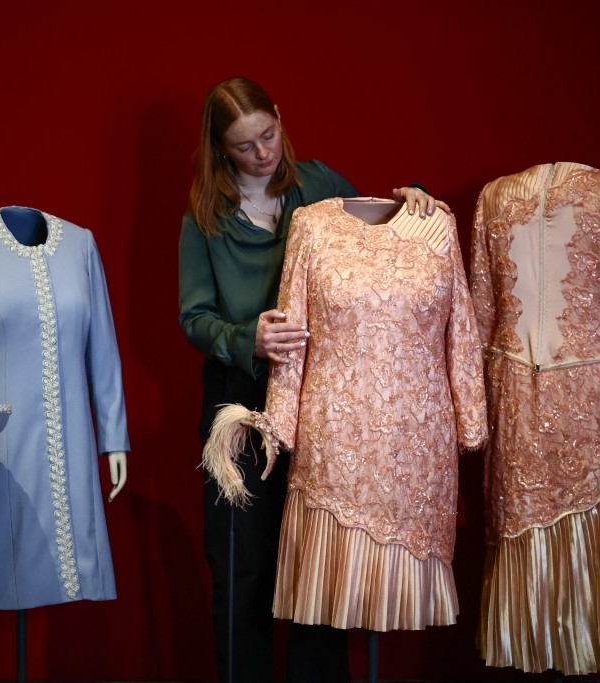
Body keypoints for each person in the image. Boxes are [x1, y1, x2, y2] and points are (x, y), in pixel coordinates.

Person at [178, 77, 446, 683]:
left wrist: (416, 197)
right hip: (240, 408)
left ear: (279, 118)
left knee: (314, 565)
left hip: (318, 402)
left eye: (268, 134)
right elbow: (193, 318)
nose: (263, 153)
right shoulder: (205, 218)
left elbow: (387, 231)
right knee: (241, 566)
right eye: (245, 146)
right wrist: (249, 338)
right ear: (221, 149)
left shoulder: (318, 184)